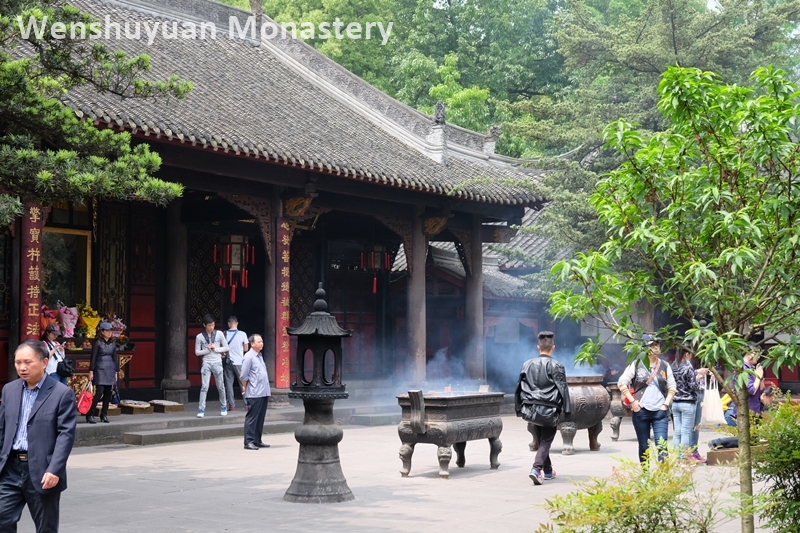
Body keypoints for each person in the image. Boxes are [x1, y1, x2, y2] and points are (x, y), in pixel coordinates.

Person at [0, 339, 77, 532]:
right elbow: (2, 429)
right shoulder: (9, 390)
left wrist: (55, 469)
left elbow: (65, 435)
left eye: (28, 362)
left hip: (42, 470)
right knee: (2, 519)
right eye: (18, 363)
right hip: (10, 468)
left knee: (46, 527)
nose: (22, 367)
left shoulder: (61, 393)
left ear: (44, 362)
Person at [514, 330, 571, 485]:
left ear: (538, 347)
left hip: (530, 408)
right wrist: (567, 411)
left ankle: (547, 470)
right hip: (549, 409)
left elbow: (519, 387)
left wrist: (519, 408)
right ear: (553, 347)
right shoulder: (557, 365)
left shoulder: (526, 364)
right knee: (545, 441)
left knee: (541, 440)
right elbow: (563, 388)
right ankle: (536, 468)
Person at [618, 334, 677, 463]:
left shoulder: (665, 365)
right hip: (641, 411)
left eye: (657, 344)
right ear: (644, 348)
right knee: (644, 446)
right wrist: (632, 402)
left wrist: (665, 405)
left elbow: (672, 387)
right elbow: (622, 382)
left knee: (662, 446)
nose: (656, 347)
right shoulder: (637, 364)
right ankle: (646, 476)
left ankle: (664, 477)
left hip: (660, 412)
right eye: (652, 345)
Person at [671, 343, 707, 459]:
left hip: (675, 402)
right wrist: (697, 378)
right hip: (687, 402)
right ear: (687, 354)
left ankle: (677, 457)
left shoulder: (673, 366)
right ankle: (684, 457)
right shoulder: (688, 367)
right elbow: (693, 386)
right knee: (686, 432)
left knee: (677, 432)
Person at [240, 334, 271, 450]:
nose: (261, 343)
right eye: (259, 342)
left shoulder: (259, 356)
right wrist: (245, 387)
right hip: (254, 392)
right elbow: (243, 375)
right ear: (252, 344)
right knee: (252, 417)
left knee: (260, 417)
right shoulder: (249, 357)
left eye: (262, 341)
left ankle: (257, 440)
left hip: (263, 391)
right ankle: (248, 441)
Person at [195, 314, 229, 418]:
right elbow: (197, 352)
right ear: (204, 325)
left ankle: (224, 406)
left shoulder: (219, 334)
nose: (211, 327)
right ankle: (201, 409)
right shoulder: (199, 337)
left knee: (221, 386)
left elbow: (226, 347)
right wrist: (207, 350)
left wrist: (216, 349)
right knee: (204, 387)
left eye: (213, 325)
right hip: (206, 363)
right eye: (209, 325)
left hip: (217, 362)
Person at [724, 344, 765, 427]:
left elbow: (761, 391)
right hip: (745, 411)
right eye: (756, 354)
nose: (759, 357)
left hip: (755, 410)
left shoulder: (753, 368)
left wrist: (760, 377)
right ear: (749, 353)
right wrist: (758, 376)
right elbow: (752, 390)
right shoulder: (742, 369)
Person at [87, 322, 119, 424]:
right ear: (102, 332)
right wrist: (91, 371)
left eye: (111, 331)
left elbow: (115, 358)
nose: (109, 333)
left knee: (108, 393)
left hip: (110, 368)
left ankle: (104, 414)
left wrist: (116, 371)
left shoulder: (113, 343)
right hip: (100, 368)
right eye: (107, 331)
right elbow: (93, 357)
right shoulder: (97, 343)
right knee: (99, 392)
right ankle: (90, 414)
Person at [223, 316, 249, 412]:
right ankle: (247, 404)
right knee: (243, 383)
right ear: (237, 323)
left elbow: (223, 349)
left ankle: (232, 405)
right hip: (239, 362)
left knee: (229, 384)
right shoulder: (243, 334)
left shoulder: (224, 334)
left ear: (229, 324)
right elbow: (246, 349)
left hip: (228, 362)